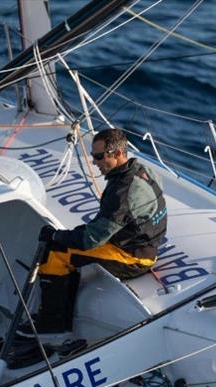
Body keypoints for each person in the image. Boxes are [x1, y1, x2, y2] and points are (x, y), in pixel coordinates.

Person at [21, 128, 167, 335]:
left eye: (99, 157)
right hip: (142, 245)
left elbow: (90, 240)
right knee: (72, 237)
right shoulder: (143, 170)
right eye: (92, 156)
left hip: (133, 258)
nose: (94, 162)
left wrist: (55, 236)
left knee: (56, 254)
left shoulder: (121, 193)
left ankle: (51, 323)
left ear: (117, 154)